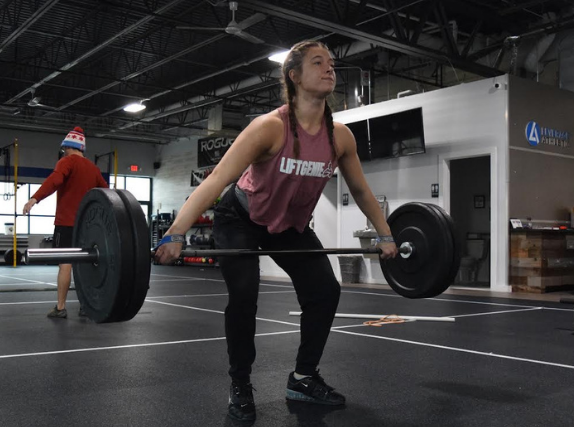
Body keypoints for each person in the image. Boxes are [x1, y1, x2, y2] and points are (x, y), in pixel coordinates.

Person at [153, 40, 397, 422]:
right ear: (294, 76)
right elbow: (218, 178)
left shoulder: (341, 137)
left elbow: (362, 190)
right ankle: (240, 382)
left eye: (332, 63)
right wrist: (176, 232)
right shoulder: (268, 128)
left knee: (325, 290)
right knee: (245, 295)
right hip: (241, 218)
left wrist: (385, 235)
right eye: (319, 62)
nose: (330, 68)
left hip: (288, 226)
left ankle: (303, 377)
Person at [23, 126, 108, 319]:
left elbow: (54, 180)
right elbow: (106, 194)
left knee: (66, 265)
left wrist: (34, 198)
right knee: (84, 264)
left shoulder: (67, 162)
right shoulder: (93, 169)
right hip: (87, 227)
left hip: (67, 224)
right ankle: (85, 305)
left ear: (68, 146)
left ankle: (60, 308)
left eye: (64, 148)